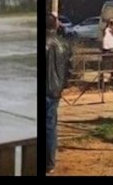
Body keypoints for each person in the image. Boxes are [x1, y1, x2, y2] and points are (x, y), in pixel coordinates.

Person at [46, 13, 73, 175]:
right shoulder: (64, 44)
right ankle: (49, 163)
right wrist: (62, 86)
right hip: (55, 91)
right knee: (50, 126)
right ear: (55, 26)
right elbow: (70, 69)